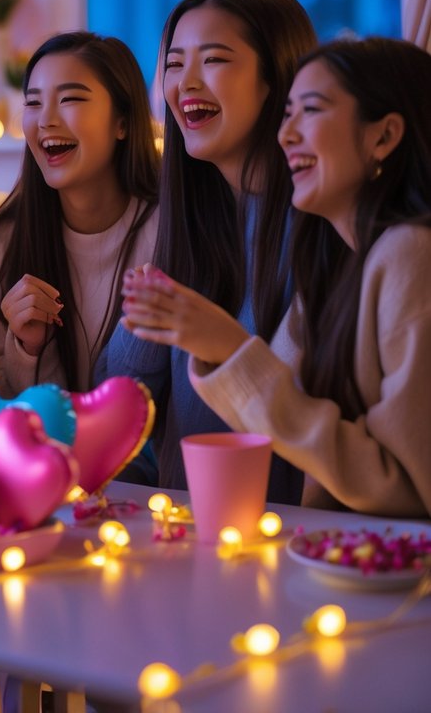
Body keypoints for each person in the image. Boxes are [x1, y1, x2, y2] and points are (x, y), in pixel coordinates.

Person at [125, 37, 431, 517]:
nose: (286, 135)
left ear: (384, 137)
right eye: (287, 115)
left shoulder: (411, 254)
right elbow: (276, 408)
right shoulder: (336, 262)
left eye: (311, 111)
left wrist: (228, 349)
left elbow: (411, 490)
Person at [104, 0, 316, 504]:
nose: (186, 84)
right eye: (174, 65)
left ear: (277, 79)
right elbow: (122, 407)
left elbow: (312, 426)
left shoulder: (322, 228)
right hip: (189, 535)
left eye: (214, 59)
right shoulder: (192, 222)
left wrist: (219, 342)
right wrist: (144, 314)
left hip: (292, 543)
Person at [0, 31, 160, 395]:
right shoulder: (5, 240)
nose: (46, 120)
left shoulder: (168, 231)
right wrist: (29, 349)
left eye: (70, 98)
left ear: (122, 122)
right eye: (33, 103)